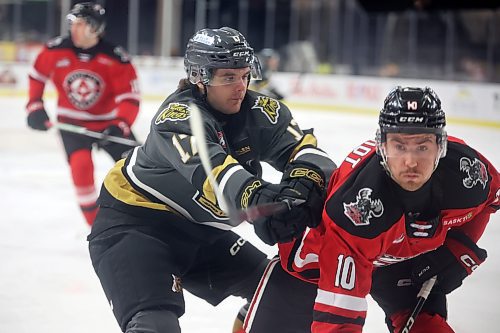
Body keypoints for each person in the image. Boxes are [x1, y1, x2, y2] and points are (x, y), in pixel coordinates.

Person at [87, 26, 336, 333]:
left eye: (244, 75)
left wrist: (305, 182)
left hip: (202, 232)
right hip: (137, 226)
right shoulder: (178, 117)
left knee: (287, 291)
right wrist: (258, 199)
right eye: (228, 77)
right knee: (155, 325)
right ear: (199, 78)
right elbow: (216, 174)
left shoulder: (260, 111)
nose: (240, 86)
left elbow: (308, 152)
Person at [242, 86, 500, 333]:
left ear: (440, 146)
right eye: (400, 146)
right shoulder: (356, 210)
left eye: (422, 147)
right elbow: (338, 322)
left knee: (427, 325)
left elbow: (491, 201)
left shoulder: (467, 172)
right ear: (382, 146)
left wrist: (458, 247)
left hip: (401, 259)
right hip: (318, 265)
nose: (411, 162)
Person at [25, 2, 140, 226]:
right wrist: (34, 106)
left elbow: (130, 98)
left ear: (95, 28)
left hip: (108, 125)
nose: (74, 30)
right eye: (73, 25)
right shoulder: (56, 50)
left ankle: (145, 216)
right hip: (72, 125)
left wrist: (121, 124)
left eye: (81, 25)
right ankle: (96, 226)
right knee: (81, 167)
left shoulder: (115, 58)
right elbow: (36, 76)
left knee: (137, 168)